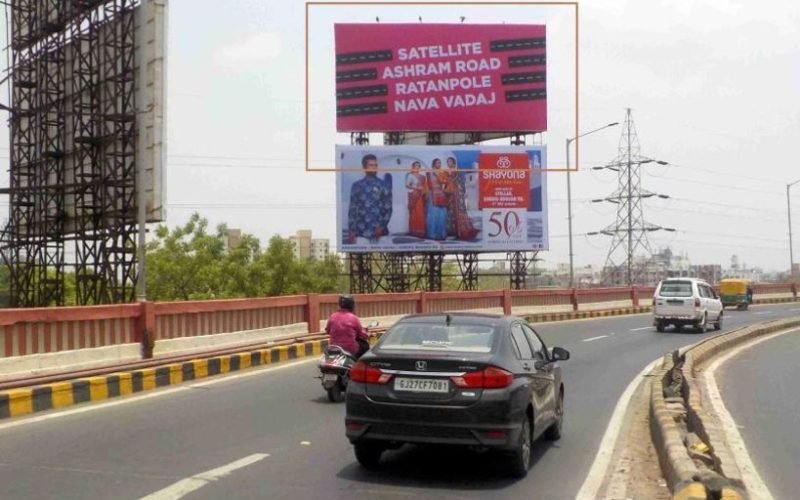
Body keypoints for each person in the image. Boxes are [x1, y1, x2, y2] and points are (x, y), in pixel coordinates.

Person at [347, 154, 393, 244]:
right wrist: (351, 230)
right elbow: (352, 209)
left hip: (380, 234)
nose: (374, 167)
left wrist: (381, 227)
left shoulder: (383, 185)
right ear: (364, 167)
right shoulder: (356, 186)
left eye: (375, 165)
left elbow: (388, 209)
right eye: (371, 165)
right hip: (361, 233)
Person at [444, 156, 479, 240]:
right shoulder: (445, 172)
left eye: (450, 162)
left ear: (454, 163)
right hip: (450, 195)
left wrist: (456, 186)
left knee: (459, 211)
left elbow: (462, 181)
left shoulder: (457, 172)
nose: (449, 163)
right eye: (448, 162)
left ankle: (461, 230)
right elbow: (444, 183)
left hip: (457, 194)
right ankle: (451, 231)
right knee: (450, 212)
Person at [325, 294, 371, 359]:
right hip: (349, 349)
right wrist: (367, 334)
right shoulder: (353, 318)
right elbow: (362, 334)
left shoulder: (332, 316)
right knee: (365, 346)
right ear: (352, 305)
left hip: (334, 349)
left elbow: (328, 331)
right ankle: (358, 366)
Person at [425, 158, 449, 240]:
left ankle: (442, 234)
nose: (439, 164)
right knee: (433, 215)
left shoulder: (442, 173)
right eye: (437, 163)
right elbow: (427, 184)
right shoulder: (430, 173)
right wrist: (427, 194)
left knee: (443, 215)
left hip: (441, 194)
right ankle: (432, 234)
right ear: (434, 164)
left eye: (440, 163)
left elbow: (446, 182)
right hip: (432, 195)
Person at [405, 161, 427, 238]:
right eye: (416, 166)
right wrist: (416, 188)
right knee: (414, 212)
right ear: (413, 167)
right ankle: (414, 231)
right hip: (414, 194)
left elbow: (424, 186)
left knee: (421, 212)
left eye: (418, 166)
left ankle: (421, 231)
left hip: (420, 196)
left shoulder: (422, 176)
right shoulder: (410, 175)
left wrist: (422, 190)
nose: (417, 167)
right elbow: (407, 185)